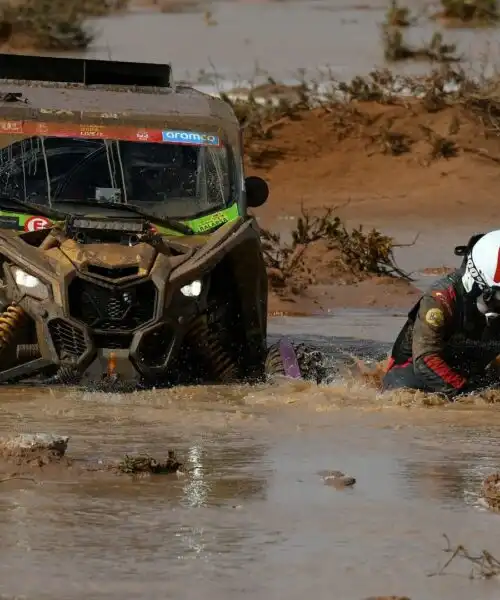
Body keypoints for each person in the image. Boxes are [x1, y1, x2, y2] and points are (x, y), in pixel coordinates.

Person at [382, 229, 500, 399]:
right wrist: (470, 396)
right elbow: (426, 359)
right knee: (405, 392)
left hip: (470, 371)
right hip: (415, 374)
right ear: (481, 286)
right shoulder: (441, 299)